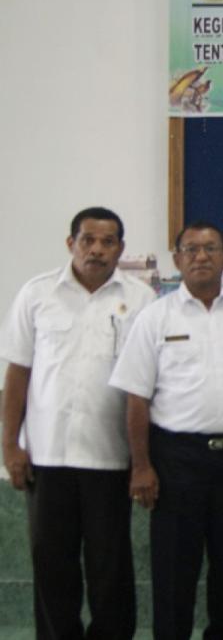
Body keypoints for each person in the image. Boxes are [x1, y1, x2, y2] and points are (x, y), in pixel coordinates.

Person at [108, 220, 223, 640]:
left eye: (211, 248)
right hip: (177, 461)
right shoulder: (155, 317)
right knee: (174, 571)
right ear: (177, 260)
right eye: (191, 249)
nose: (201, 256)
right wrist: (141, 466)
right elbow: (136, 399)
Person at [0, 206, 155, 639]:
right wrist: (9, 445)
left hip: (111, 458)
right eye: (88, 240)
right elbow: (17, 375)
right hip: (48, 458)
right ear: (71, 244)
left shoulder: (143, 301)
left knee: (111, 569)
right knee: (52, 566)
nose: (97, 250)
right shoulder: (37, 294)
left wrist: (143, 461)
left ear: (120, 249)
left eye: (108, 242)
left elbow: (147, 386)